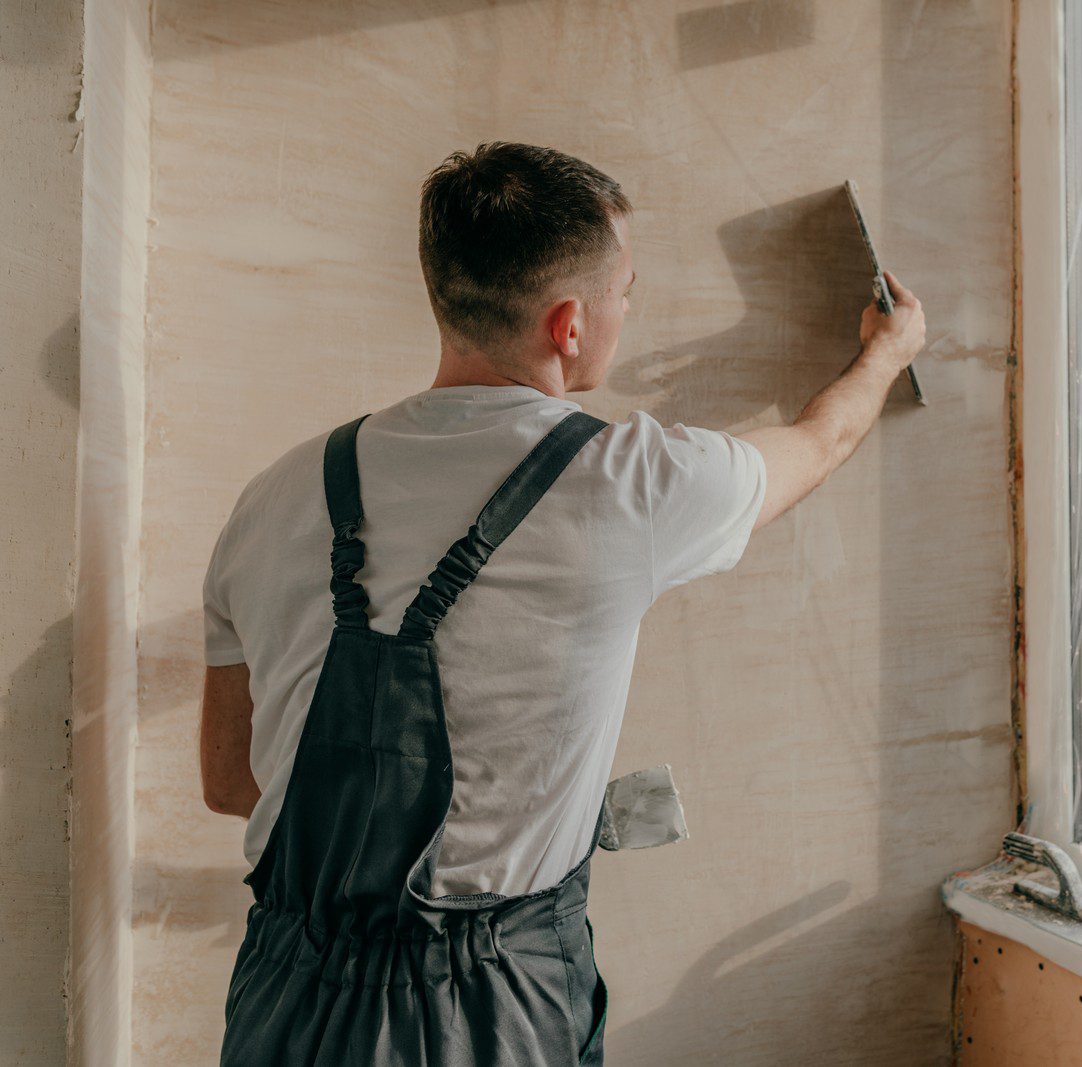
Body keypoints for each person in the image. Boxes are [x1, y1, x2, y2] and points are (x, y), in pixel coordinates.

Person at [199, 142, 925, 1066]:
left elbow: (230, 782)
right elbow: (818, 444)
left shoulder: (272, 496)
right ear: (570, 322)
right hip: (491, 1003)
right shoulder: (634, 481)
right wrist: (889, 351)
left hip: (285, 995)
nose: (630, 307)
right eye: (627, 288)